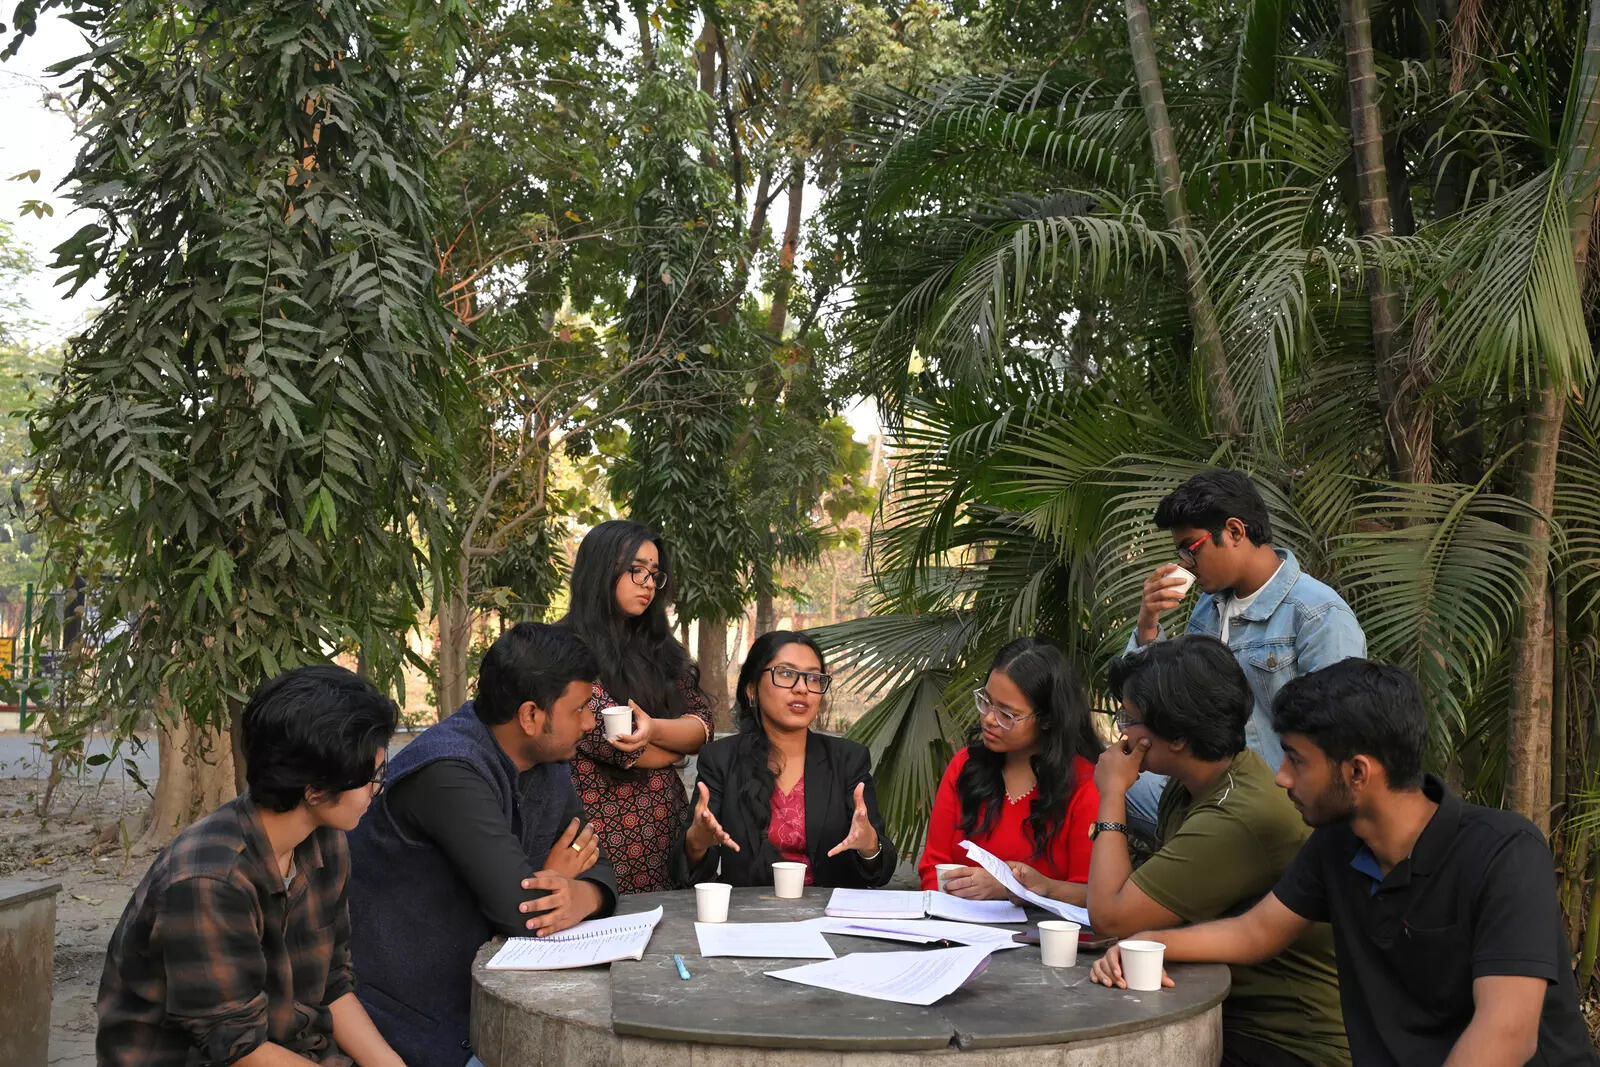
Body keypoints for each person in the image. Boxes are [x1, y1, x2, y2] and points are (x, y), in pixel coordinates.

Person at [1091, 660, 1599, 1067]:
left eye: (1296, 759)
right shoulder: (1336, 845)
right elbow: (1254, 933)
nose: (1281, 778)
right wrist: (1150, 942)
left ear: (1358, 772)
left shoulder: (1504, 853)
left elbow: (1506, 1034)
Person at [97, 665, 403, 1067]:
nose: (377, 790)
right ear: (313, 788)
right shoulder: (210, 880)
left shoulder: (327, 843)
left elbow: (333, 985)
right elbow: (238, 1048)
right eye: (371, 777)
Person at [347, 622, 617, 1067]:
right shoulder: (449, 771)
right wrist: (552, 881)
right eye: (582, 708)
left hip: (482, 1003)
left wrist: (575, 891)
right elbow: (521, 912)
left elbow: (598, 865)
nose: (590, 723)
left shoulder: (547, 760)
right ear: (531, 715)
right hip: (407, 1023)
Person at [1087, 635, 1347, 1067]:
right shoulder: (1200, 783)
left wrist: (1112, 793)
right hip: (1223, 1010)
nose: (1121, 732)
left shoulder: (1234, 817)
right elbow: (1148, 893)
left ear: (1178, 738)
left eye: (1129, 719)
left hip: (1286, 1039)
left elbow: (1111, 917)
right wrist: (1041, 888)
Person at [1123, 469, 1365, 829]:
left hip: (1271, 806)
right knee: (1108, 781)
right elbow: (1153, 701)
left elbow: (1339, 739)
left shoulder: (1317, 614)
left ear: (1235, 532)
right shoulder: (1209, 607)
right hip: (1205, 790)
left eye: (1191, 548)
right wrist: (1147, 624)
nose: (1186, 564)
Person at [559, 519, 714, 893]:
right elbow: (619, 742)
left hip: (667, 832)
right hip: (598, 838)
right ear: (601, 569)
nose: (648, 583)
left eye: (654, 574)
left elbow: (703, 728)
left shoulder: (663, 650)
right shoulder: (563, 649)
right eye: (636, 570)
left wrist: (657, 730)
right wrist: (673, 744)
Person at [672, 630, 895, 887]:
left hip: (828, 916)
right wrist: (696, 843)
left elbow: (881, 871)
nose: (802, 688)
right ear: (752, 689)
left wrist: (869, 845)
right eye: (787, 674)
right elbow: (685, 876)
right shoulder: (720, 759)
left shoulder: (848, 759)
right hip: (750, 918)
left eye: (813, 678)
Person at [917, 637, 1101, 903]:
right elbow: (933, 866)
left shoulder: (1084, 784)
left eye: (1007, 714)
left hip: (1041, 938)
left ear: (1047, 720)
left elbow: (1092, 894)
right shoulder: (965, 766)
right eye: (986, 701)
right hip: (957, 929)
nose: (989, 719)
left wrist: (1013, 890)